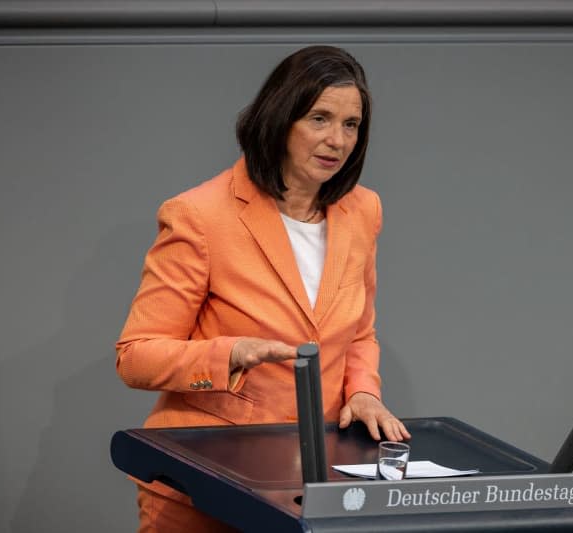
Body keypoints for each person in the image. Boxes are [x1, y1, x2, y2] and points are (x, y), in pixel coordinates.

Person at [116, 45, 411, 532]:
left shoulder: (363, 211)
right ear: (280, 118)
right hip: (203, 484)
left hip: (309, 487)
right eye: (319, 118)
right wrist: (229, 354)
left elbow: (359, 331)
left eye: (350, 125)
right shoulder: (200, 215)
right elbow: (135, 355)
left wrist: (363, 392)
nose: (337, 140)